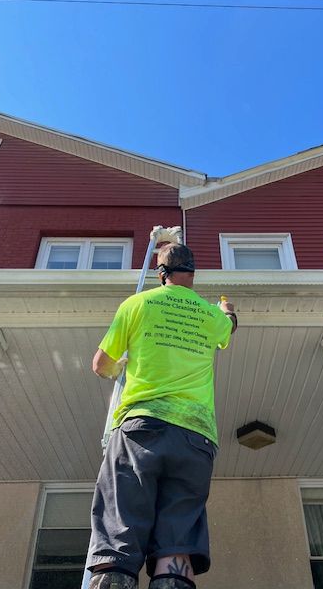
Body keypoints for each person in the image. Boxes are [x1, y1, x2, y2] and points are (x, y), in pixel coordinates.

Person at [87, 242, 237, 589]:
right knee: (176, 543)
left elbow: (100, 365)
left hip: (142, 428)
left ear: (161, 274)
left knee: (119, 536)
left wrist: (118, 368)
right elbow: (228, 328)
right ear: (192, 275)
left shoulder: (138, 304)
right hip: (196, 438)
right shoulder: (209, 314)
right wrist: (227, 309)